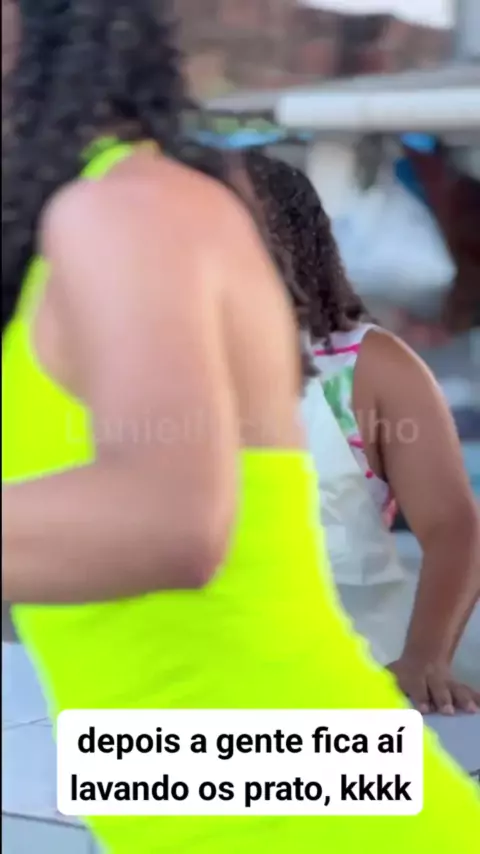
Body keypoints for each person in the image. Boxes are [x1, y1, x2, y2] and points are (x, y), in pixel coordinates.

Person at [2, 2, 479, 851]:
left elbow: (169, 522)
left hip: (309, 807)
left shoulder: (128, 208)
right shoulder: (73, 234)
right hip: (199, 787)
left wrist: (423, 659)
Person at [244, 149, 480, 715]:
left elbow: (454, 527)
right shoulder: (154, 367)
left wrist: (425, 658)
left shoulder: (369, 367)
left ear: (289, 244)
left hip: (353, 680)